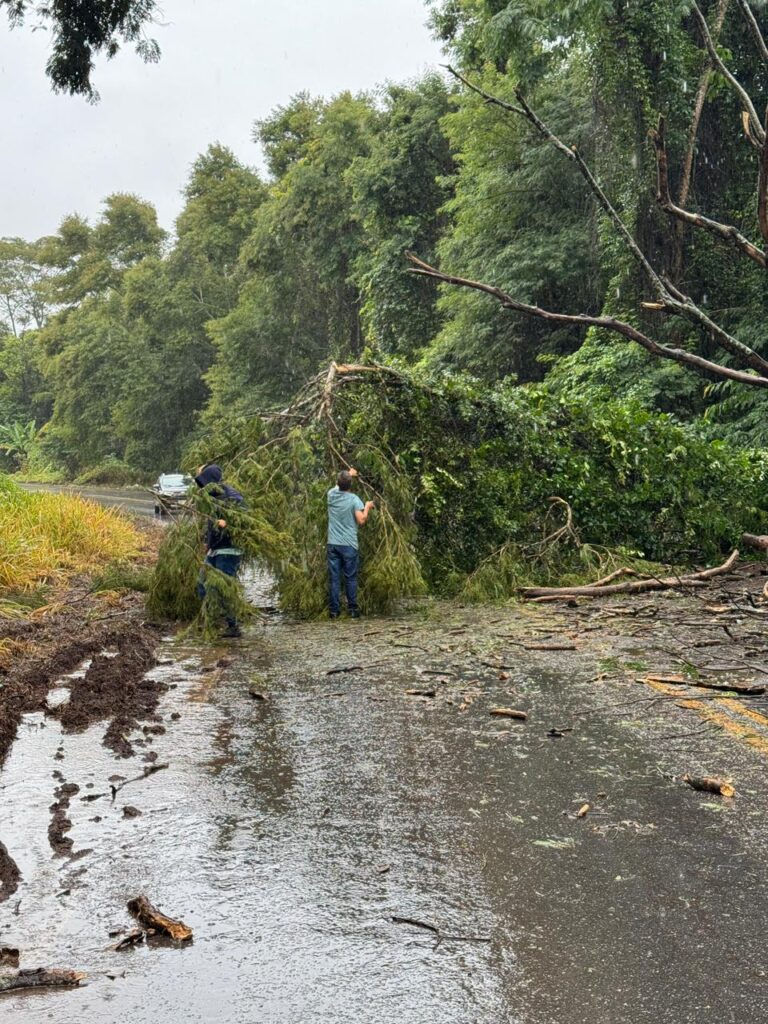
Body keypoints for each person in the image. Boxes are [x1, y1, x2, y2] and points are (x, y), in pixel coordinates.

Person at [194, 463, 245, 637]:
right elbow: (210, 524)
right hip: (214, 550)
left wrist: (228, 523)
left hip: (229, 550)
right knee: (202, 584)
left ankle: (233, 626)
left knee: (225, 588)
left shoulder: (232, 496)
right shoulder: (211, 498)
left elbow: (243, 518)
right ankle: (212, 620)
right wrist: (207, 544)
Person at [327, 467, 374, 619]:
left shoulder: (331, 495)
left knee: (334, 578)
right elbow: (361, 520)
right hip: (348, 545)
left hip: (333, 544)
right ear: (350, 485)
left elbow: (337, 485)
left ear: (338, 483)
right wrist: (367, 506)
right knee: (350, 577)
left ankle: (334, 611)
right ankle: (353, 609)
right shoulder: (354, 500)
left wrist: (349, 473)